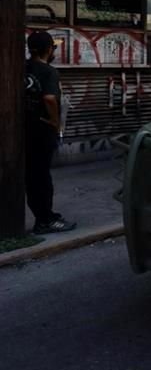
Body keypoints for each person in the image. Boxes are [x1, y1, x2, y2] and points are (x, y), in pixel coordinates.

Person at [24, 30, 76, 233]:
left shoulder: (22, 67)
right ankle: (45, 220)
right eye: (53, 47)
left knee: (31, 176)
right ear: (48, 49)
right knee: (42, 177)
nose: (54, 50)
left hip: (23, 130)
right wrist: (55, 122)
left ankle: (43, 215)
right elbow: (49, 99)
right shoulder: (49, 72)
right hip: (42, 131)